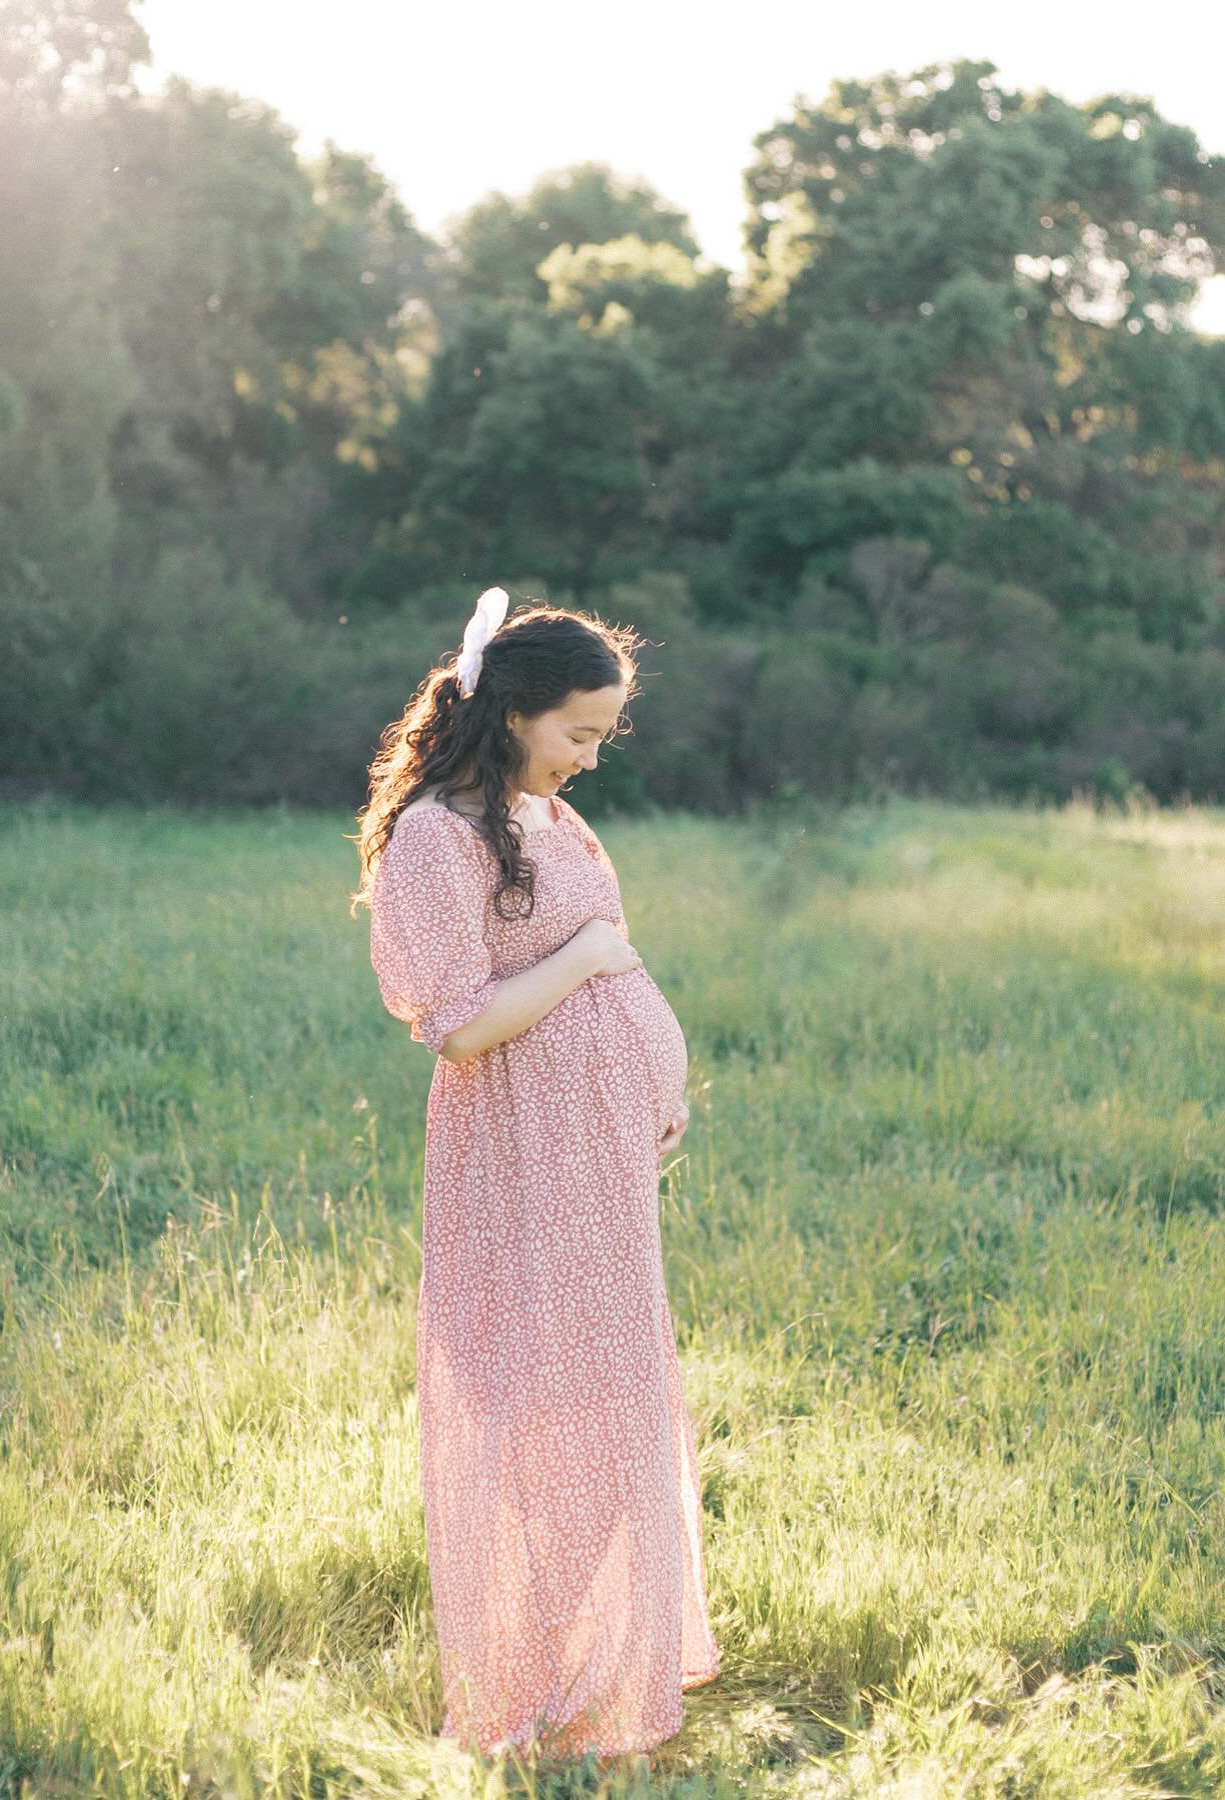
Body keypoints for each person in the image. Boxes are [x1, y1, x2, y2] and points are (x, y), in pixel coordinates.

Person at [349, 588, 721, 1760]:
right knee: (545, 1404)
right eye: (579, 733)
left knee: (615, 1400)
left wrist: (647, 1089)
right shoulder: (436, 838)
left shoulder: (549, 819)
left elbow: (597, 971)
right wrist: (593, 958)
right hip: (518, 1159)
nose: (592, 759)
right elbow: (456, 1025)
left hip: (599, 1166)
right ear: (510, 713)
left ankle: (604, 1663)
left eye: (604, 736)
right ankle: (529, 1679)